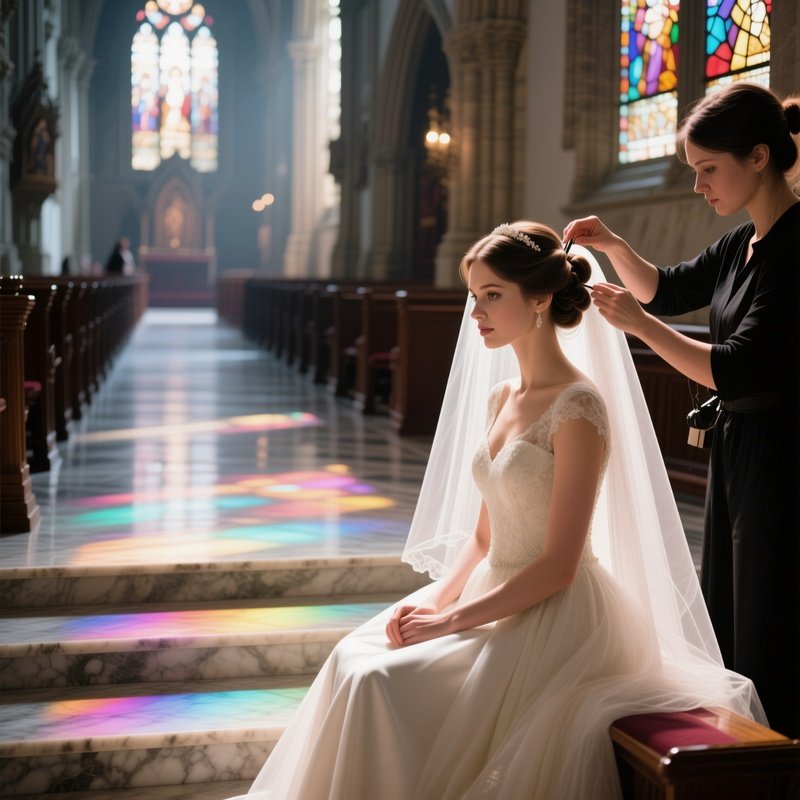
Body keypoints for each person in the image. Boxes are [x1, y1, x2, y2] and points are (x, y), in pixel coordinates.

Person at [230, 222, 761, 800]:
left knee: (379, 681)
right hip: (488, 590)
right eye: (473, 295)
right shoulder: (501, 397)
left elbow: (559, 563)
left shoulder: (578, 408)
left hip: (552, 615)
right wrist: (432, 599)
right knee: (351, 657)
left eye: (492, 295)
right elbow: (484, 538)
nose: (476, 312)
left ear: (538, 300)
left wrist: (453, 620)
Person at [564, 82, 800, 739]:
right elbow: (668, 290)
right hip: (741, 445)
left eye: (707, 170)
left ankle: (777, 749)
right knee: (730, 597)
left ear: (758, 158)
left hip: (784, 451)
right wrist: (612, 243)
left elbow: (734, 363)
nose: (699, 186)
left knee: (770, 606)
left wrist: (637, 326)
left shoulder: (795, 247)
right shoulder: (741, 243)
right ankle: (745, 746)